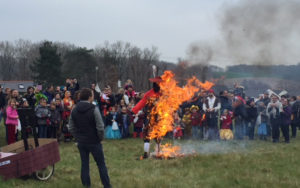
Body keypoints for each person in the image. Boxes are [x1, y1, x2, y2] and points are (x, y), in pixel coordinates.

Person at [68, 88, 111, 188]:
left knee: (84, 164)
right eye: (92, 95)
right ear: (89, 97)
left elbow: (71, 127)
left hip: (81, 142)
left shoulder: (74, 109)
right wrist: (100, 138)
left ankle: (86, 185)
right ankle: (107, 185)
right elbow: (100, 126)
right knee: (101, 164)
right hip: (94, 141)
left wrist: (77, 137)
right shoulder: (93, 109)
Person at [132, 76, 162, 159]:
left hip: (157, 117)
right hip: (151, 117)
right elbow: (141, 103)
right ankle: (147, 153)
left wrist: (134, 110)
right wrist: (134, 110)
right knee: (148, 136)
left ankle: (157, 153)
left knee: (157, 136)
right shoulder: (149, 94)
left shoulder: (160, 94)